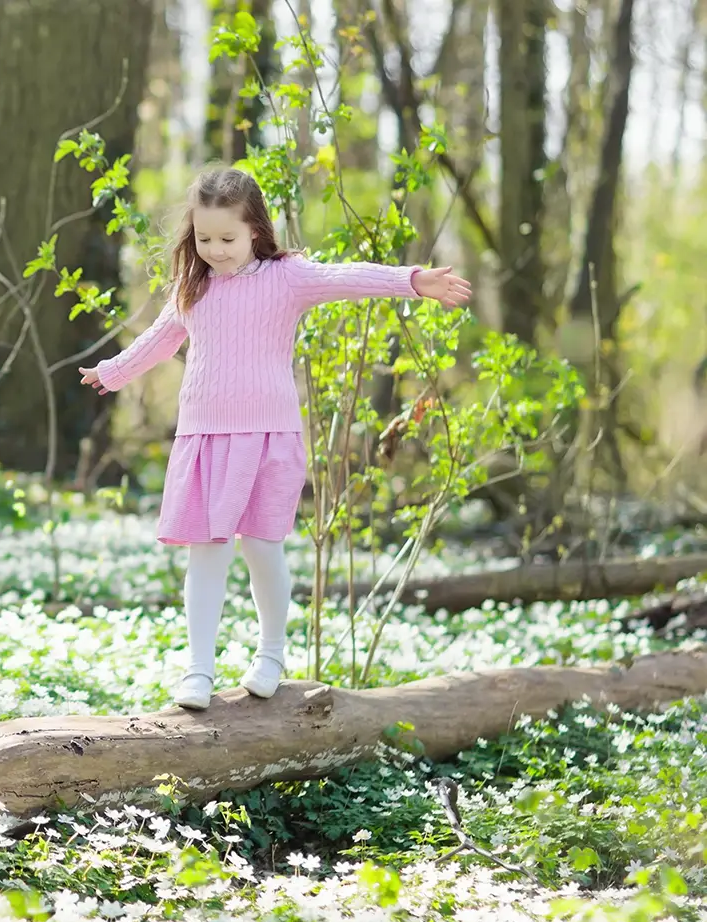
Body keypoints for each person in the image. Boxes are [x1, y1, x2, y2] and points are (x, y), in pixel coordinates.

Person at [79, 167, 471, 710]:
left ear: (255, 230)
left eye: (228, 238)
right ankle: (198, 670)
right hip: (205, 436)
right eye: (204, 238)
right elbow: (159, 339)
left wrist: (412, 280)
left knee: (262, 547)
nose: (215, 250)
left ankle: (270, 654)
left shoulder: (286, 278)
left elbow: (347, 276)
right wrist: (113, 371)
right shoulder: (193, 287)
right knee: (207, 553)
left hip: (269, 436)